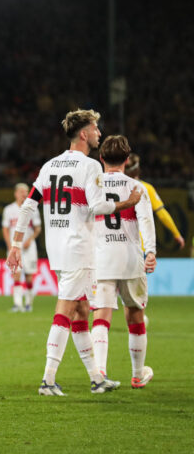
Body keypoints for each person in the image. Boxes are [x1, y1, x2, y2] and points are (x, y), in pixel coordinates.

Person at [6, 109, 141, 396]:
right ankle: (47, 379)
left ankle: (96, 378)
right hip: (79, 248)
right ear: (83, 134)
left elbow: (29, 206)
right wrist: (128, 202)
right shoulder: (90, 166)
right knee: (66, 309)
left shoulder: (49, 165)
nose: (99, 134)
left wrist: (16, 244)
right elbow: (98, 207)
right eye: (95, 129)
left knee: (80, 310)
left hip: (56, 249)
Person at [91, 135, 156, 388]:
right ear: (127, 161)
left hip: (101, 257)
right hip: (130, 259)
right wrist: (150, 252)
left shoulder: (93, 186)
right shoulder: (136, 187)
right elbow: (146, 222)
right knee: (135, 316)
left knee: (101, 316)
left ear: (101, 158)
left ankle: (100, 374)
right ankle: (138, 374)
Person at [125, 153, 185, 249]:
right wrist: (176, 234)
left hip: (119, 245)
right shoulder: (147, 188)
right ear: (138, 170)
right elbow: (162, 214)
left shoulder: (115, 188)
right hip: (141, 245)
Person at [2, 183, 42, 312]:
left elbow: (38, 228)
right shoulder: (8, 209)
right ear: (16, 193)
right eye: (21, 192)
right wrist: (10, 246)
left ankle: (29, 303)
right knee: (16, 274)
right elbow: (5, 228)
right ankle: (17, 304)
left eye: (26, 191)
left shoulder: (33, 208)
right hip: (15, 247)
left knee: (29, 276)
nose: (24, 194)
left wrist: (30, 239)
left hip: (29, 248)